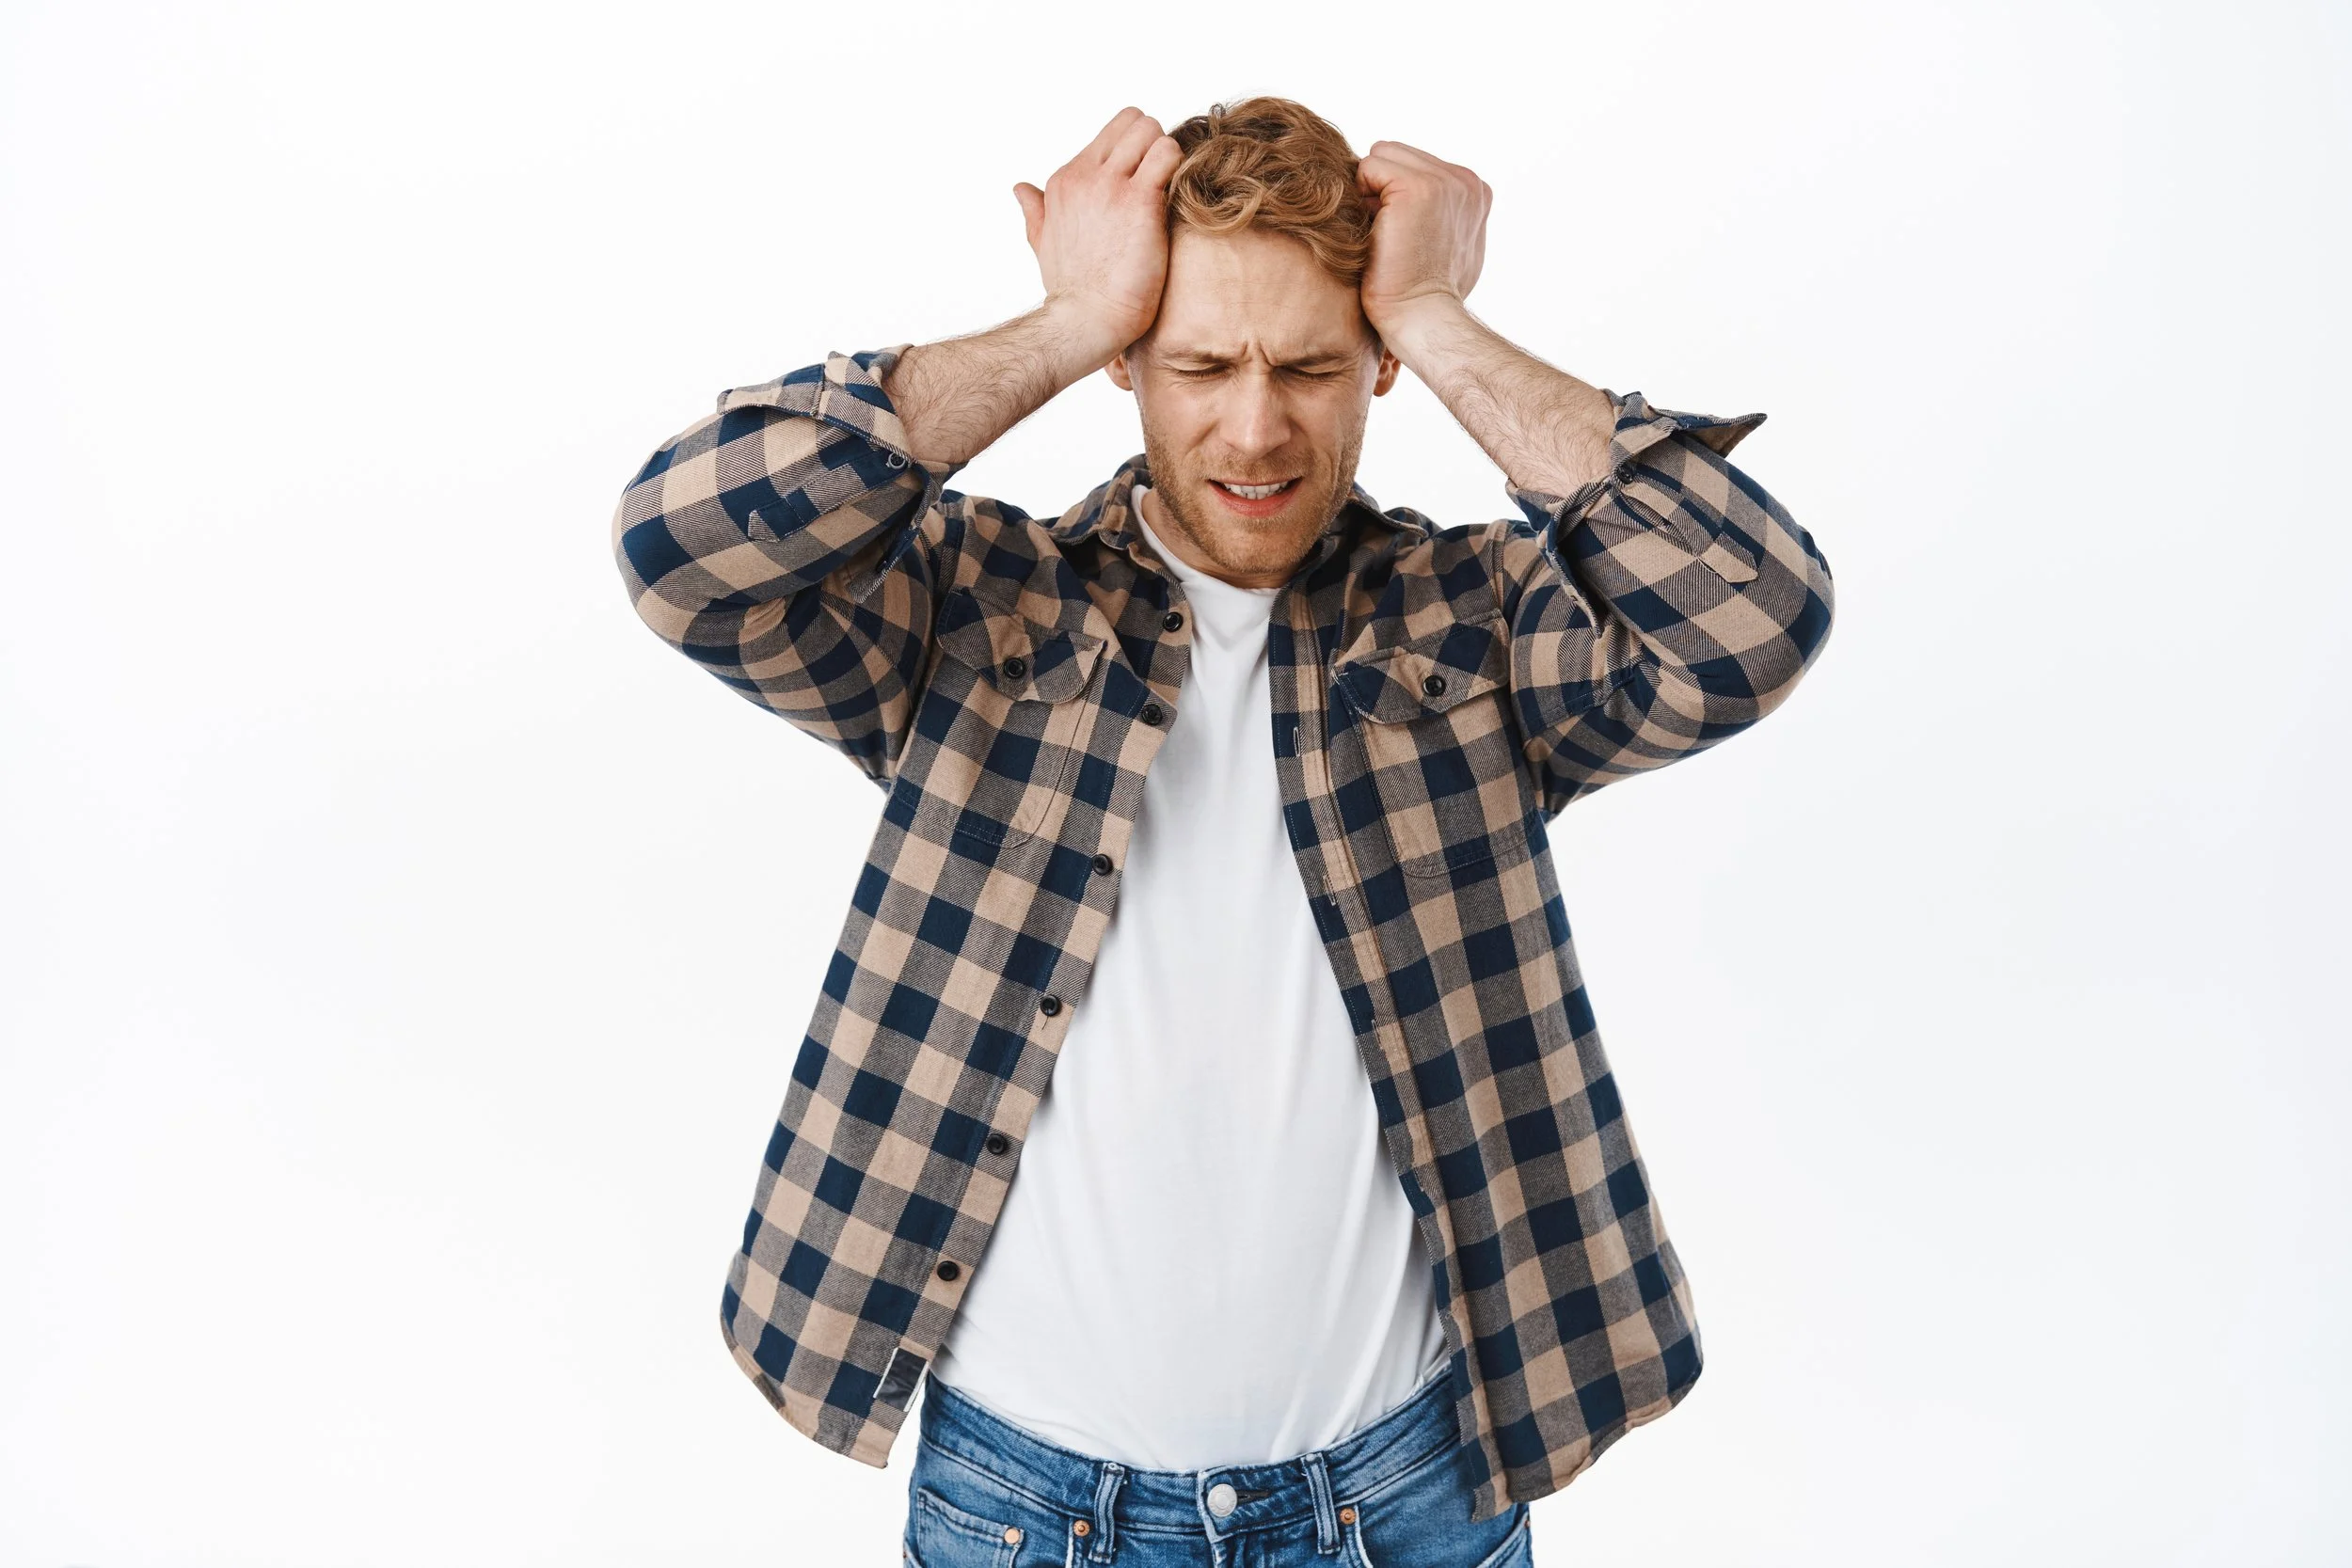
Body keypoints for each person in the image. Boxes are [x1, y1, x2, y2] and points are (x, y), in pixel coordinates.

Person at [612, 96, 1834, 1567]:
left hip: (1410, 1502)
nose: (1255, 428)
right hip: (1025, 1513)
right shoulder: (973, 610)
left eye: (1312, 366)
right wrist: (1060, 322)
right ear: (1131, 358)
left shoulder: (1479, 631)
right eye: (1197, 363)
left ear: (1376, 360)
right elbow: (682, 548)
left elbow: (1754, 614)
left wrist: (1437, 312)